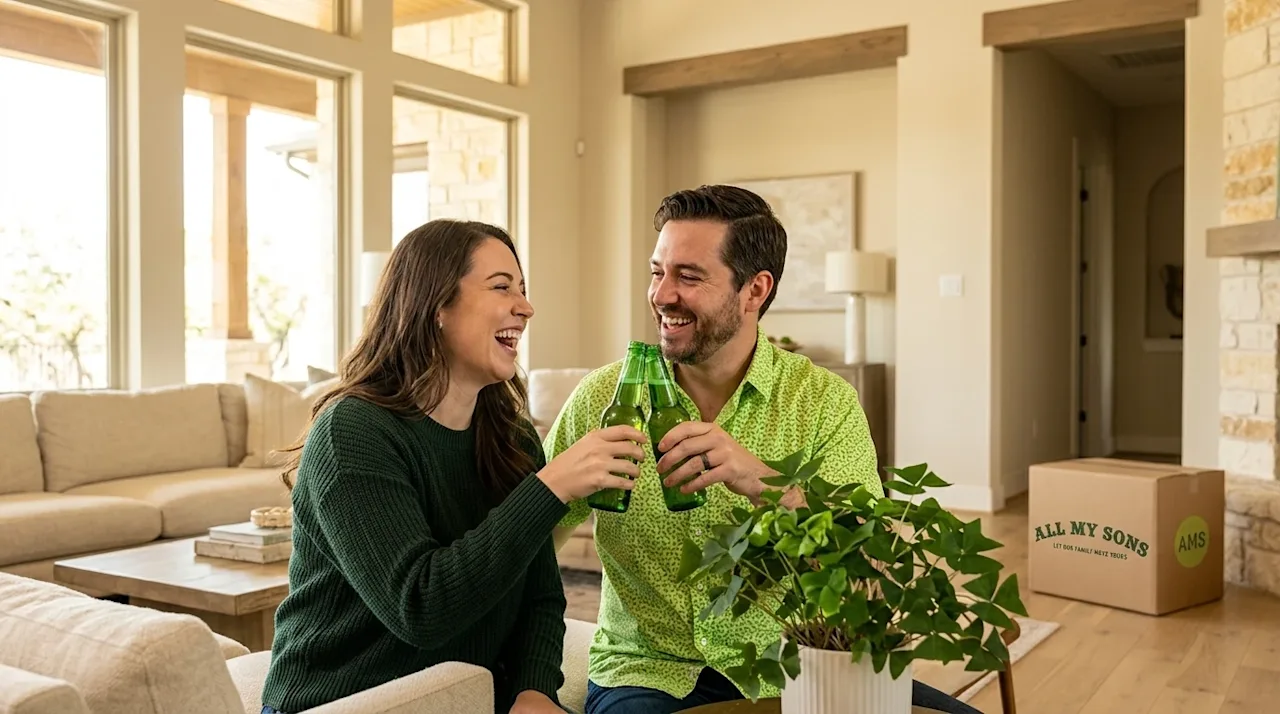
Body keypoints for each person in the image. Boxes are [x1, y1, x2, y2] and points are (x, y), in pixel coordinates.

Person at [544, 185, 984, 714]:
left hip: (797, 662)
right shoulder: (602, 399)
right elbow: (529, 548)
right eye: (658, 272)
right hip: (650, 671)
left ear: (755, 290)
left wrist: (763, 482)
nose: (662, 295)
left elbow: (867, 563)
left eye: (689, 276)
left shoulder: (823, 402)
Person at [259, 219, 648, 714]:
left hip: (463, 699)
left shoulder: (511, 436)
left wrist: (534, 691)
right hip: (347, 701)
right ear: (437, 304)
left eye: (523, 290)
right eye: (502, 287)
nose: (526, 308)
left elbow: (540, 598)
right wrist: (550, 488)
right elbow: (421, 608)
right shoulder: (353, 432)